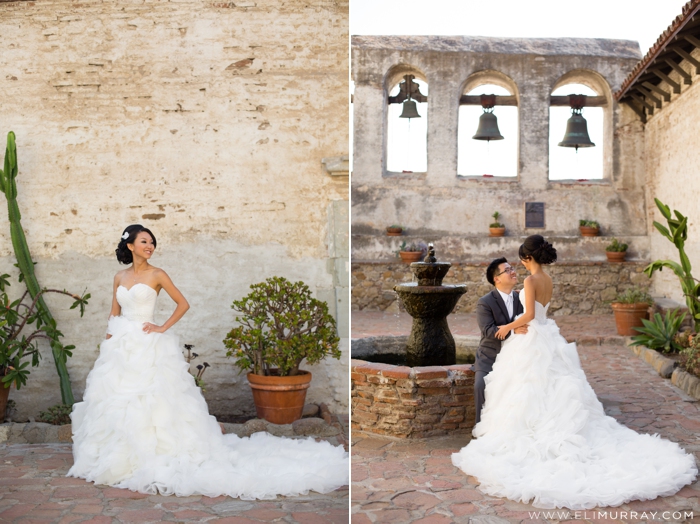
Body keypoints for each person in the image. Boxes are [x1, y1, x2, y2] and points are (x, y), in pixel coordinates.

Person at [68, 224, 349, 499]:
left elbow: (183, 303)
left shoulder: (157, 274)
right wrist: (109, 341)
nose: (149, 246)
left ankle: (160, 452)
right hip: (121, 344)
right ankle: (120, 454)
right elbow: (114, 312)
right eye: (144, 241)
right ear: (130, 246)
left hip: (148, 341)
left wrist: (161, 327)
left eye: (152, 242)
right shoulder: (119, 277)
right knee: (117, 398)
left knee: (154, 397)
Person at [452, 235, 697, 510]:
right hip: (547, 335)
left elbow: (530, 314)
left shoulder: (530, 282)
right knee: (549, 384)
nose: (518, 265)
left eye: (520, 259)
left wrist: (508, 327)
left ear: (528, 258)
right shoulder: (547, 280)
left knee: (528, 385)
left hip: (532, 336)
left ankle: (530, 433)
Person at [473, 257, 528, 425]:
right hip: (490, 356)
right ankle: (480, 427)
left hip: (516, 356)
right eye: (508, 270)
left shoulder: (522, 298)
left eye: (512, 268)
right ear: (496, 279)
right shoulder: (485, 302)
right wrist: (512, 329)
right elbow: (488, 331)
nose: (513, 272)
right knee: (480, 385)